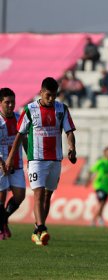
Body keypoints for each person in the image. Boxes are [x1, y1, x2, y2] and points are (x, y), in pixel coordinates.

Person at [5, 77, 77, 246]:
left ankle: (37, 229)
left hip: (55, 159)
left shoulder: (62, 109)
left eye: (54, 95)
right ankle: (42, 229)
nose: (51, 99)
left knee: (47, 196)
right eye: (48, 95)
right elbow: (20, 135)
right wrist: (10, 157)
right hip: (36, 160)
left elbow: (69, 132)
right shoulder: (30, 110)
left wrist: (72, 147)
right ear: (41, 92)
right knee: (38, 194)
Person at [0, 88, 27, 240]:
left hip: (16, 164)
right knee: (1, 198)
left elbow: (24, 140)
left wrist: (31, 157)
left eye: (13, 102)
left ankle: (3, 221)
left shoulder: (19, 118)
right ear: (0, 103)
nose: (10, 105)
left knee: (20, 195)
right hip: (0, 165)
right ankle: (1, 228)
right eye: (7, 102)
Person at [85, 146, 108, 226]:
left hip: (107, 186)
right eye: (107, 153)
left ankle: (100, 218)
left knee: (103, 203)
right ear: (104, 154)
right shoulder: (101, 162)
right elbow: (91, 171)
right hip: (99, 184)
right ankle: (93, 220)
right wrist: (88, 181)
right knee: (101, 202)